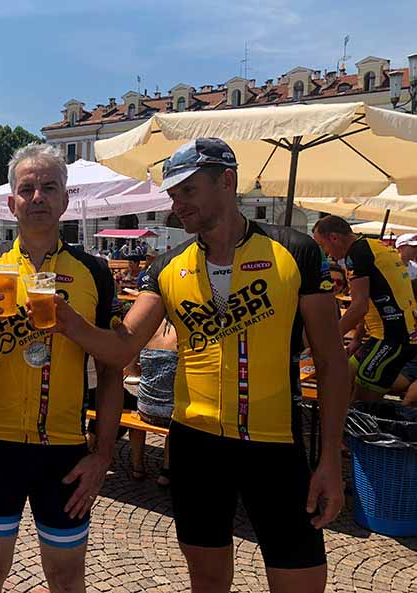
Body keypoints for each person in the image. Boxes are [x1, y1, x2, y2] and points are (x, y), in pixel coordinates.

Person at [49, 138, 348, 593]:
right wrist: (70, 322)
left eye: (187, 190)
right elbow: (121, 348)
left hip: (276, 445)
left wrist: (330, 460)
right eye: (172, 194)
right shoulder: (167, 266)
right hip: (195, 446)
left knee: (301, 583)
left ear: (226, 181)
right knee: (207, 583)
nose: (177, 205)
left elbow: (330, 363)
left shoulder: (296, 251)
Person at [0, 142, 123, 593]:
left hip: (64, 450)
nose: (38, 197)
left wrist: (102, 453)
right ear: (11, 203)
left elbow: (112, 368)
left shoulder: (94, 271)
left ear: (65, 199)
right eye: (27, 189)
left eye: (49, 187)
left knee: (65, 578)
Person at [313, 216, 417, 403]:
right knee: (343, 375)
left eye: (323, 245)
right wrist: (356, 339)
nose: (326, 253)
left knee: (361, 405)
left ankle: (354, 429)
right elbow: (366, 303)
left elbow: (359, 306)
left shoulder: (357, 253)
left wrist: (325, 342)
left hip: (393, 339)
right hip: (385, 335)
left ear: (334, 238)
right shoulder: (372, 245)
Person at [136, 316, 177, 487]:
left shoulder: (148, 328)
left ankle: (136, 466)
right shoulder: (183, 333)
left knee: (133, 406)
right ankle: (166, 471)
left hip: (144, 409)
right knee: (177, 412)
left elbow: (130, 369)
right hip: (170, 414)